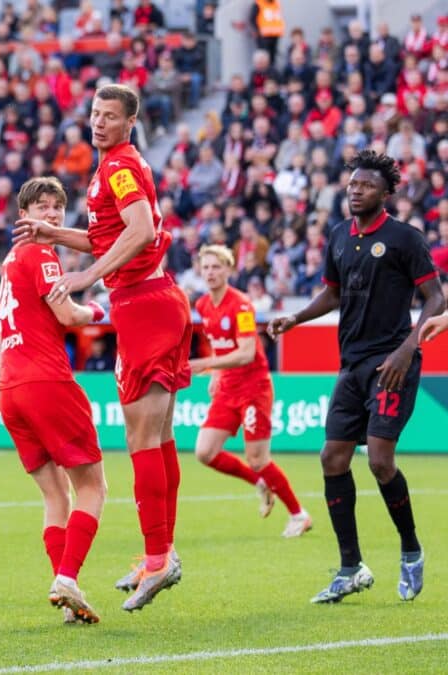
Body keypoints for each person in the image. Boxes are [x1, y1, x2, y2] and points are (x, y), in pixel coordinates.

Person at [13, 84, 191, 612]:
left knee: (141, 437)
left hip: (142, 303)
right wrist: (56, 233)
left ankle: (158, 559)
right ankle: (160, 553)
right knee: (157, 436)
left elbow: (137, 232)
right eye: (95, 114)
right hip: (154, 299)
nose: (99, 123)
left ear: (129, 122)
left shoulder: (119, 166)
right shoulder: (116, 166)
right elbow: (111, 234)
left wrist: (88, 276)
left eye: (110, 116)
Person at [269, 150, 444, 604]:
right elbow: (332, 294)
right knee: (332, 457)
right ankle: (351, 568)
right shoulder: (338, 236)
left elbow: (435, 298)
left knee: (380, 460)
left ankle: (410, 550)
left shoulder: (405, 238)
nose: (354, 190)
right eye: (351, 185)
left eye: (364, 185)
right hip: (351, 366)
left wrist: (410, 347)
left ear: (385, 193)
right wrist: (296, 318)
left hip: (392, 363)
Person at [0, 177, 108, 625]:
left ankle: (64, 588)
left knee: (55, 495)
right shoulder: (40, 253)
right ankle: (67, 576)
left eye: (57, 207)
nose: (51, 214)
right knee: (93, 486)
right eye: (42, 207)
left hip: (14, 390)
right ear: (23, 216)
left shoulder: (10, 262)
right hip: (47, 382)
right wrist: (97, 312)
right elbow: (67, 314)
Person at [190, 245, 311, 537]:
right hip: (227, 387)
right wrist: (217, 372)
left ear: (228, 270)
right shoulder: (204, 305)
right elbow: (222, 344)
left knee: (258, 458)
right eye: (205, 267)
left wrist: (207, 365)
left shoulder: (242, 305)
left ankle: (298, 514)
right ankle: (259, 482)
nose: (210, 273)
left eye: (216, 267)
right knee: (205, 452)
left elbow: (245, 353)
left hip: (253, 388)